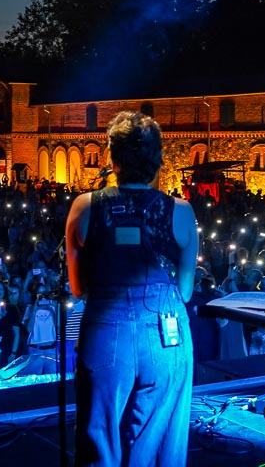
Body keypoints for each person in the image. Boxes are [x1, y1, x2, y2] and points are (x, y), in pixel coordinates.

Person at [66, 111, 197, 466]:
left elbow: (77, 289)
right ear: (158, 160)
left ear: (112, 158)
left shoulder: (84, 206)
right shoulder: (181, 212)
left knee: (100, 435)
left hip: (105, 328)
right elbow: (185, 292)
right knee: (157, 440)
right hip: (165, 331)